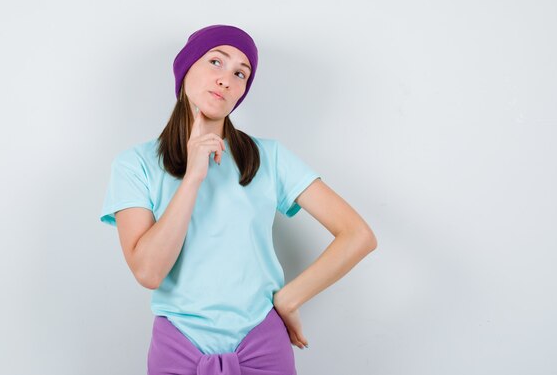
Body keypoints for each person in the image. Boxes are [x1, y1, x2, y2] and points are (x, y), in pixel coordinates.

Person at [99, 24, 377, 375]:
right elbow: (148, 272)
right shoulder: (134, 165)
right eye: (216, 61)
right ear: (186, 68)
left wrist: (289, 299)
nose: (226, 79)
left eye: (240, 73)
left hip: (263, 347)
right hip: (178, 350)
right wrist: (194, 177)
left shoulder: (270, 157)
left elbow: (358, 235)